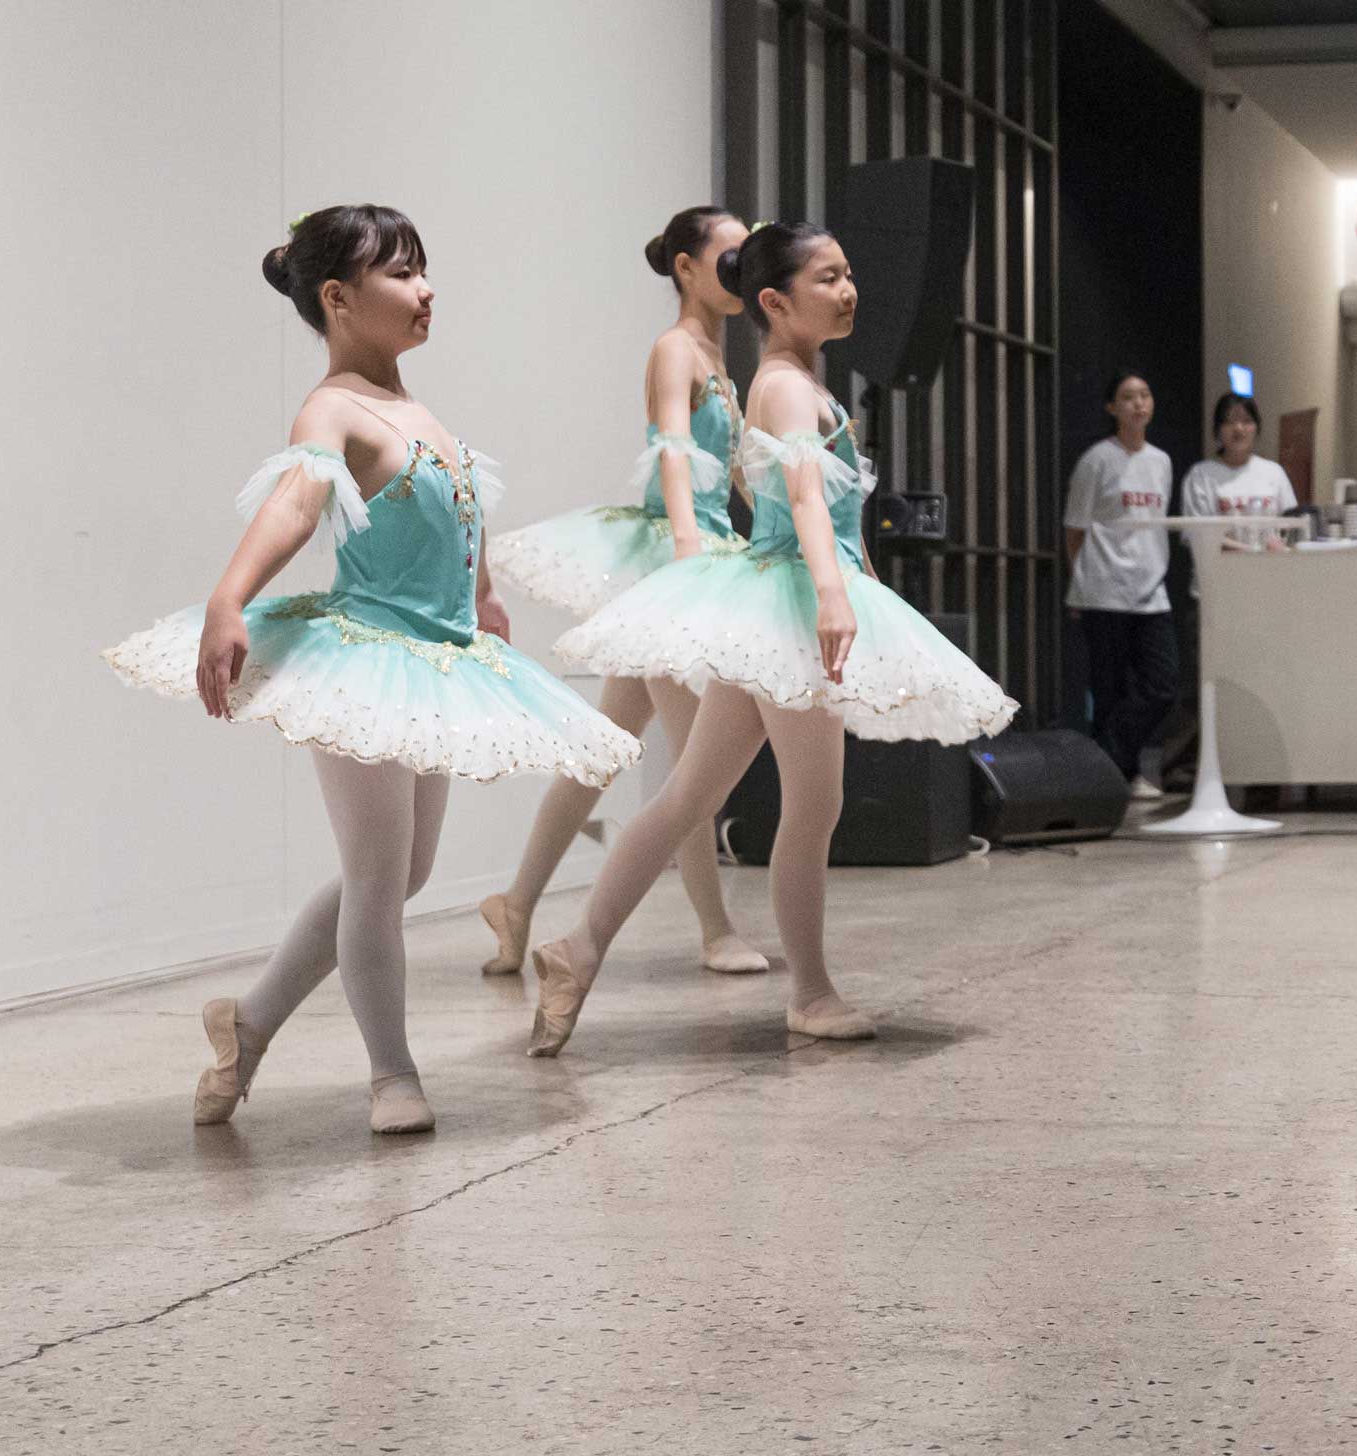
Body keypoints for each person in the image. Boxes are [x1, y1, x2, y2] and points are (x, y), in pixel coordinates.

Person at [102, 206, 641, 1135]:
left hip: (436, 659)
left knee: (401, 873)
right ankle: (392, 1072)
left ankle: (248, 1023)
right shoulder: (335, 407)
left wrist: (482, 595)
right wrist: (229, 598)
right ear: (338, 298)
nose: (425, 289)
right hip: (362, 661)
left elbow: (452, 514)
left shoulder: (418, 409)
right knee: (379, 877)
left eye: (423, 269)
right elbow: (297, 502)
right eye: (400, 273)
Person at [531, 222, 1015, 1056]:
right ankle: (811, 992)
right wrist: (830, 592)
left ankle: (578, 948)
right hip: (787, 607)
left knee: (689, 796)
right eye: (827, 277)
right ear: (774, 301)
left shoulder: (799, 383)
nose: (848, 290)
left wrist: (851, 582)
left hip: (773, 602)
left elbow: (820, 509)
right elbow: (802, 497)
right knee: (811, 803)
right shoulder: (787, 387)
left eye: (848, 272)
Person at [477, 205, 764, 981]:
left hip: (700, 555)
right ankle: (714, 928)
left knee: (601, 754)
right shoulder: (674, 349)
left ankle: (515, 903)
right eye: (730, 257)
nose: (742, 272)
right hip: (669, 561)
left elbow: (737, 467)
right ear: (687, 267)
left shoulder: (717, 357)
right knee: (694, 763)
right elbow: (673, 452)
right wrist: (686, 554)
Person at [1067, 372, 1182, 800]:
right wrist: (1080, 583)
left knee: (1162, 685)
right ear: (1112, 408)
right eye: (1128, 397)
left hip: (1151, 590)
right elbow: (1075, 529)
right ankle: (1122, 778)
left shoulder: (1162, 461)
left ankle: (1103, 760)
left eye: (1145, 395)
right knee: (1109, 691)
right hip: (1104, 591)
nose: (1138, 403)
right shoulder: (1096, 459)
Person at [1180, 391, 1299, 553]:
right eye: (1229, 422)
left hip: (1268, 566)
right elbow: (1195, 533)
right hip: (1218, 567)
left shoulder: (1274, 472)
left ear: (1256, 428)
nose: (1238, 428)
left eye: (1246, 421)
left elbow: (1291, 525)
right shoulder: (1200, 475)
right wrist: (1249, 549)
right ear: (1217, 430)